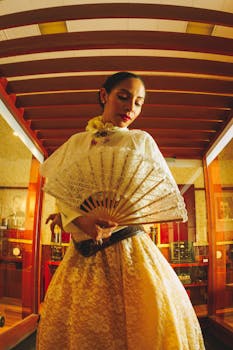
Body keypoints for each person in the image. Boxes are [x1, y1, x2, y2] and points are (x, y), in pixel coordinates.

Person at [36, 72, 205, 349]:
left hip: (129, 249)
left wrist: (117, 216)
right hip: (82, 252)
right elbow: (61, 190)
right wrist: (79, 218)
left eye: (138, 103)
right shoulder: (77, 143)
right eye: (123, 97)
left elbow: (153, 194)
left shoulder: (141, 141)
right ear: (104, 96)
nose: (130, 108)